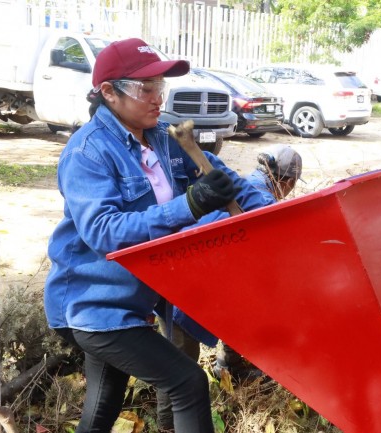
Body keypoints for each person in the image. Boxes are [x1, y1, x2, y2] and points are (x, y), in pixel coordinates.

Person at [43, 37, 265, 433]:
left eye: (160, 88)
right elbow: (103, 231)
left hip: (137, 299)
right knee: (187, 382)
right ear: (109, 92)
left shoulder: (166, 139)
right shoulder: (87, 153)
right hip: (94, 304)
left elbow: (228, 182)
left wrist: (270, 213)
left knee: (103, 402)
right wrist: (190, 205)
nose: (156, 98)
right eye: (146, 89)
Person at [156, 144, 303, 428]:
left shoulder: (249, 184)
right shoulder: (262, 199)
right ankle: (165, 424)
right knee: (179, 369)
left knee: (243, 313)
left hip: (193, 280)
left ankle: (228, 365)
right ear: (287, 181)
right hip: (186, 289)